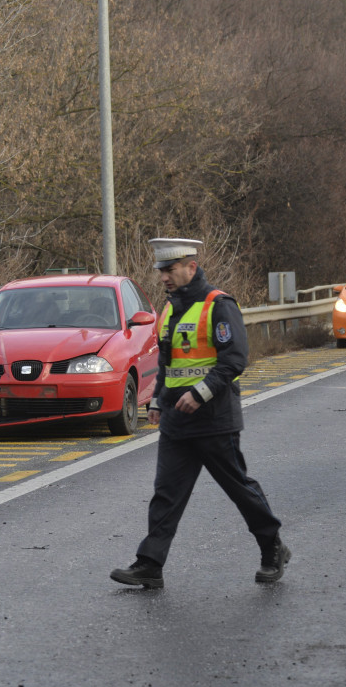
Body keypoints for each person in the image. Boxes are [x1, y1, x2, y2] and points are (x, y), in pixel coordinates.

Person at [110, 238, 288, 589]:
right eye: (161, 271)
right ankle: (150, 563)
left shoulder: (217, 305)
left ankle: (273, 548)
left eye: (170, 270)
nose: (164, 277)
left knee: (239, 488)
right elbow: (167, 362)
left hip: (214, 419)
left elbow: (234, 360)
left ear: (191, 267)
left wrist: (200, 393)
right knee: (166, 493)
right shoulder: (170, 309)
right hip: (178, 421)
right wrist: (158, 401)